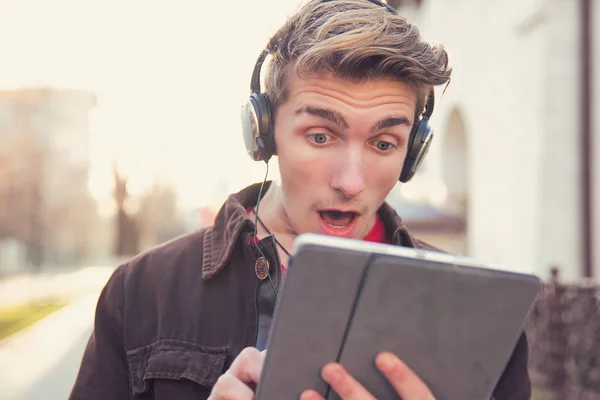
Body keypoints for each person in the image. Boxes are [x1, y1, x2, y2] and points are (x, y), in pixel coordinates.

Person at [69, 0, 532, 399]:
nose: (350, 182)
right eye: (320, 135)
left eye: (384, 144)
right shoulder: (142, 294)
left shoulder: (484, 322)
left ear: (412, 153)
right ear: (265, 133)